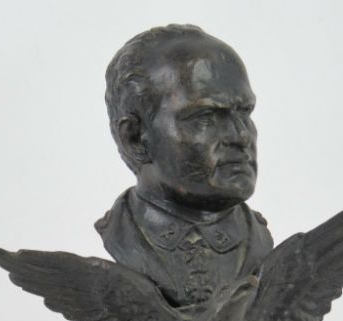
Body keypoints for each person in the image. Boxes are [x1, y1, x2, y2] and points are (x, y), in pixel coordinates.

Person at [96, 24, 273, 306]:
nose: (241, 136)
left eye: (244, 112)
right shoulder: (123, 235)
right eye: (205, 117)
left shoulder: (258, 242)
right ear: (135, 138)